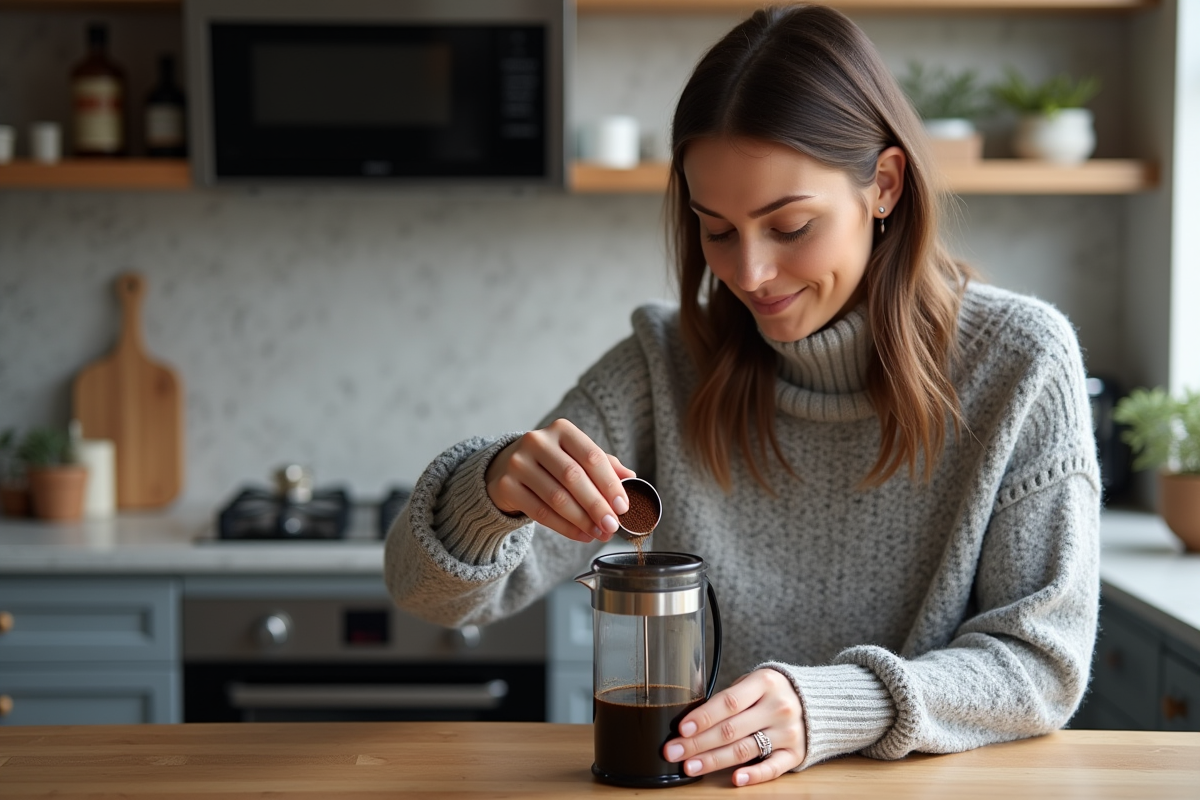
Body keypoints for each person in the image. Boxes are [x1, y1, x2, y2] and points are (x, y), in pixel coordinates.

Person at [385, 4, 1100, 788]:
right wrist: (490, 495)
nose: (749, 273)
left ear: (885, 186)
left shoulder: (1021, 364)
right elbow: (428, 598)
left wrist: (837, 704)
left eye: (789, 227)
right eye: (717, 231)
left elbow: (1042, 666)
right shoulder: (662, 366)